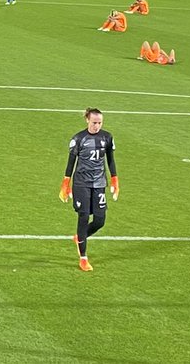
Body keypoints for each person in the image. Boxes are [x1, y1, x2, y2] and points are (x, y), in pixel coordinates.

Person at [59, 108, 119, 272]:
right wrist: (66, 182)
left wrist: (114, 180)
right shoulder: (79, 139)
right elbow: (71, 162)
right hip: (81, 183)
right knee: (84, 216)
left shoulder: (107, 137)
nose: (97, 126)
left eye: (100, 123)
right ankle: (83, 257)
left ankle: (80, 237)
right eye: (94, 122)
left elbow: (110, 160)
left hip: (99, 183)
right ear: (87, 120)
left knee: (100, 220)